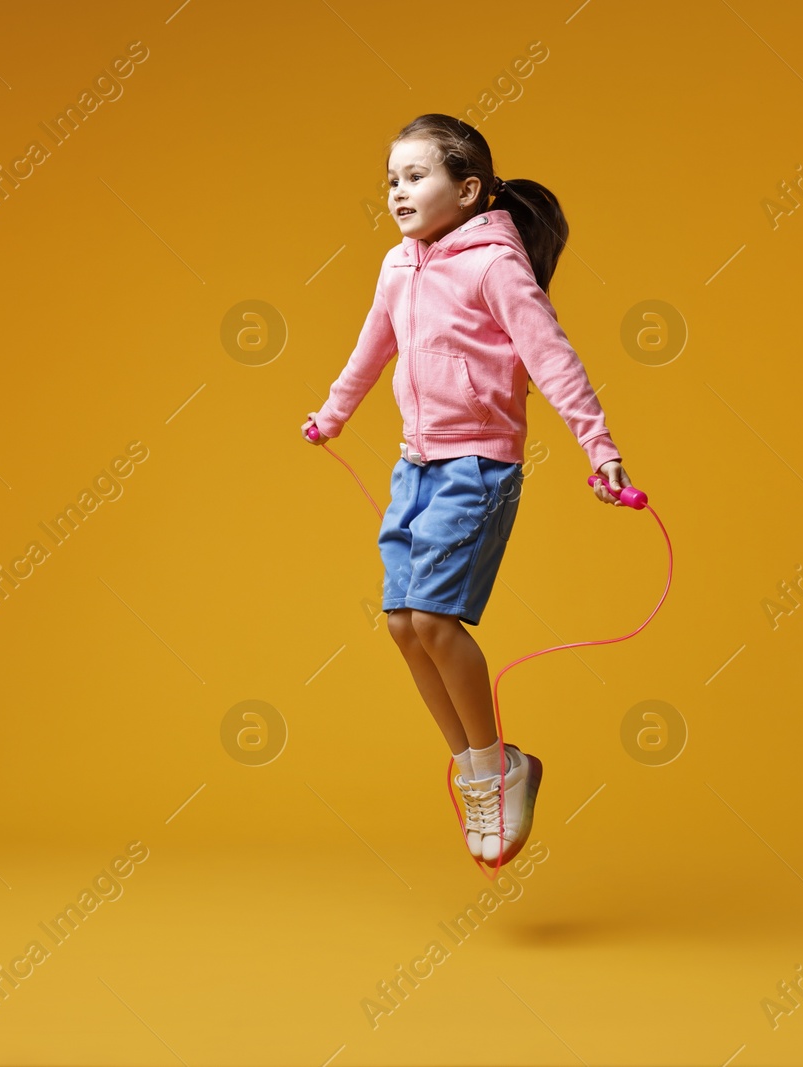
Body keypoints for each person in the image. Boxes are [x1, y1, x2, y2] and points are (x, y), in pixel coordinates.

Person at [301, 113, 632, 867]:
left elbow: (552, 358)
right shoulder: (397, 266)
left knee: (435, 620)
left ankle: (494, 763)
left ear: (469, 188)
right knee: (400, 624)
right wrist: (331, 414)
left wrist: (600, 448)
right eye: (391, 179)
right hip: (412, 465)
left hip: (477, 467)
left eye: (416, 176)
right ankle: (483, 768)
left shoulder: (494, 265)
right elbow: (370, 350)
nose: (398, 192)